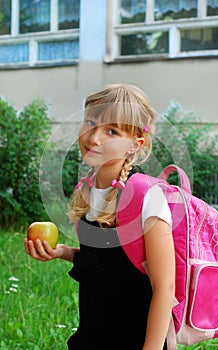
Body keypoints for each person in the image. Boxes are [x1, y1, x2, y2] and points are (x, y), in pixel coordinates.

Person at [24, 83, 175, 350]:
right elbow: (110, 263)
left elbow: (164, 288)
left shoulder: (148, 198)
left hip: (135, 339)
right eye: (91, 122)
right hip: (92, 337)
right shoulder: (87, 190)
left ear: (134, 144)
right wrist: (63, 252)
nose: (94, 138)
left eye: (112, 131)